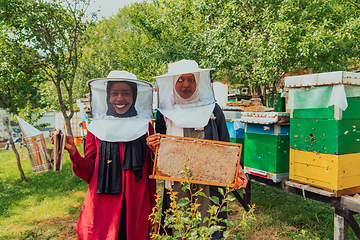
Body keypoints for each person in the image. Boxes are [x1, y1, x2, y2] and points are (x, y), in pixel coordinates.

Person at [147, 60, 248, 239]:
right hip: (177, 180)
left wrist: (237, 169)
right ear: (172, 83)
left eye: (191, 79)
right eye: (180, 79)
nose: (186, 84)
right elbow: (161, 151)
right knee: (180, 223)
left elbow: (225, 143)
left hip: (209, 180)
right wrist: (154, 146)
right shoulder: (164, 112)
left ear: (198, 82)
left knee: (208, 224)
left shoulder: (213, 109)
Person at [55, 71, 157, 240]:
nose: (120, 98)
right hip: (103, 208)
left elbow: (151, 173)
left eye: (126, 93)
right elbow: (90, 174)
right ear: (108, 96)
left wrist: (152, 210)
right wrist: (74, 152)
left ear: (135, 96)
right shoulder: (96, 129)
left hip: (137, 207)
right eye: (114, 93)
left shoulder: (146, 128)